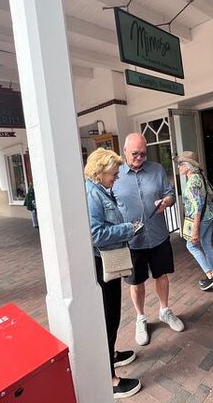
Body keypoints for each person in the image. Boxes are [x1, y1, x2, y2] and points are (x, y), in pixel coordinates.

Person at [113, 133, 184, 346]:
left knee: (161, 276)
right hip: (132, 240)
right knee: (136, 282)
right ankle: (141, 317)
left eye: (143, 153)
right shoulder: (115, 175)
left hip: (158, 235)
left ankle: (164, 311)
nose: (140, 157)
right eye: (135, 153)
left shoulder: (157, 170)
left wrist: (168, 201)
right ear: (125, 151)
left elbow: (170, 193)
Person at [84, 148, 142, 399]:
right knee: (108, 317)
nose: (117, 177)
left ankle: (112, 355)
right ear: (100, 171)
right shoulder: (91, 195)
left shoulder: (97, 190)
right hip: (102, 264)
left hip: (107, 261)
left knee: (113, 315)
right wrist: (128, 229)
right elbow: (96, 235)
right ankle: (110, 379)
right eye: (114, 173)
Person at [176, 151, 213, 291]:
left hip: (201, 218)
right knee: (206, 244)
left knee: (191, 246)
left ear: (188, 166)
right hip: (209, 215)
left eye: (181, 164)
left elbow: (198, 207)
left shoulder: (192, 183)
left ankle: (211, 275)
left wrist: (195, 230)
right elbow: (210, 194)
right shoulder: (200, 176)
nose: (178, 167)